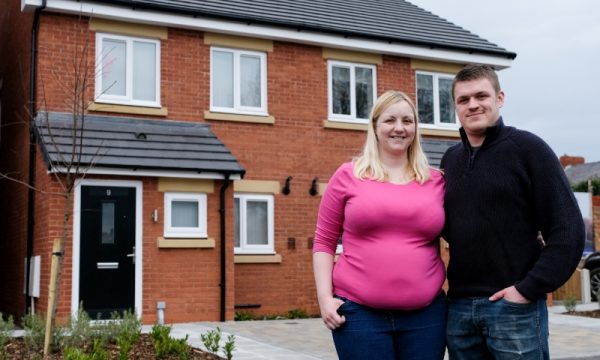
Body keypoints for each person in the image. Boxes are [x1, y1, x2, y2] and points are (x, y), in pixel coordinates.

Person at [441, 64, 585, 360]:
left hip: (513, 310)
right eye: (463, 99)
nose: (473, 105)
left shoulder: (528, 149)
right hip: (459, 311)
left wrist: (527, 289)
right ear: (455, 106)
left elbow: (568, 229)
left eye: (481, 95)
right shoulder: (451, 160)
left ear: (500, 98)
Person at [313, 90, 447, 360]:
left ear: (416, 128)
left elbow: (465, 237)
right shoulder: (347, 176)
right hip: (360, 316)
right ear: (375, 126)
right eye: (390, 120)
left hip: (427, 318)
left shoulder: (436, 181)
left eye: (407, 121)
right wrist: (325, 299)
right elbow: (324, 241)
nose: (399, 128)